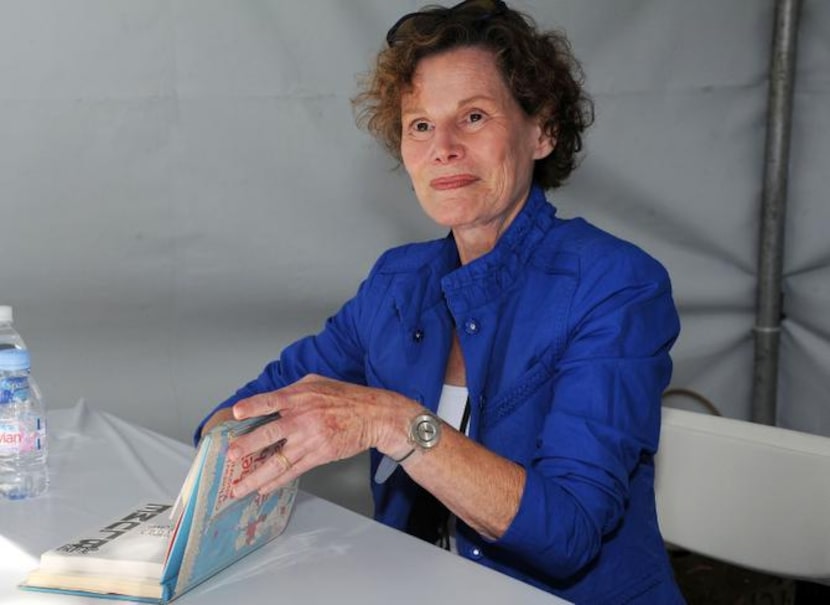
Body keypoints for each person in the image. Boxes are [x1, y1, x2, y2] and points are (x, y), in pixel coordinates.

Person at [195, 1, 685, 602]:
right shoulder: (397, 284)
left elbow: (570, 532)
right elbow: (239, 416)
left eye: (473, 117)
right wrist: (230, 443)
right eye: (420, 125)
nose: (442, 148)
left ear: (542, 131)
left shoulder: (616, 284)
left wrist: (395, 421)